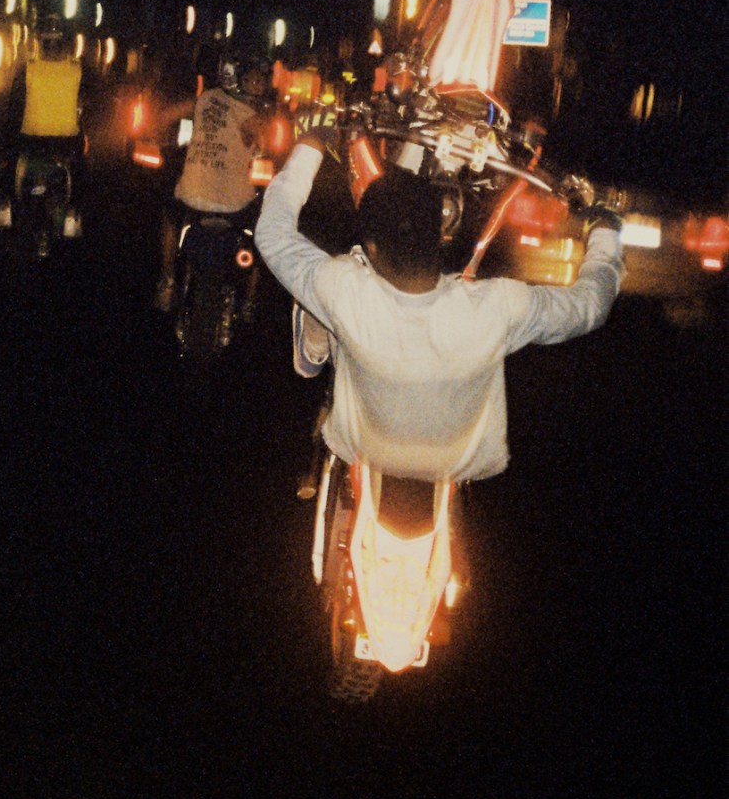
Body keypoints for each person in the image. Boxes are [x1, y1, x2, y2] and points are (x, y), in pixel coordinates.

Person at [254, 115, 623, 482]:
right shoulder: (499, 307)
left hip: (360, 447)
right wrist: (604, 228)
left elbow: (273, 235)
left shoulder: (345, 289)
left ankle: (314, 347)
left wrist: (311, 144)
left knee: (329, 275)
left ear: (374, 246)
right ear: (440, 234)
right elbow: (590, 307)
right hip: (467, 464)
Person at [154, 55, 269, 311]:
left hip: (191, 198)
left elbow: (169, 116)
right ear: (236, 80)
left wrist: (154, 130)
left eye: (261, 80)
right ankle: (249, 301)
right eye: (253, 80)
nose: (260, 86)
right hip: (235, 205)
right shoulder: (251, 114)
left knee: (170, 219)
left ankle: (168, 280)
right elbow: (264, 145)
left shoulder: (206, 98)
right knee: (262, 234)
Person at [4, 15, 87, 232]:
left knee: (7, 167)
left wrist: (7, 136)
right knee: (80, 169)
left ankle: (5, 209)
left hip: (29, 143)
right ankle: (72, 215)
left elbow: (14, 107)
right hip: (66, 145)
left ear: (40, 42)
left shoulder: (28, 69)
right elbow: (93, 103)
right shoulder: (77, 69)